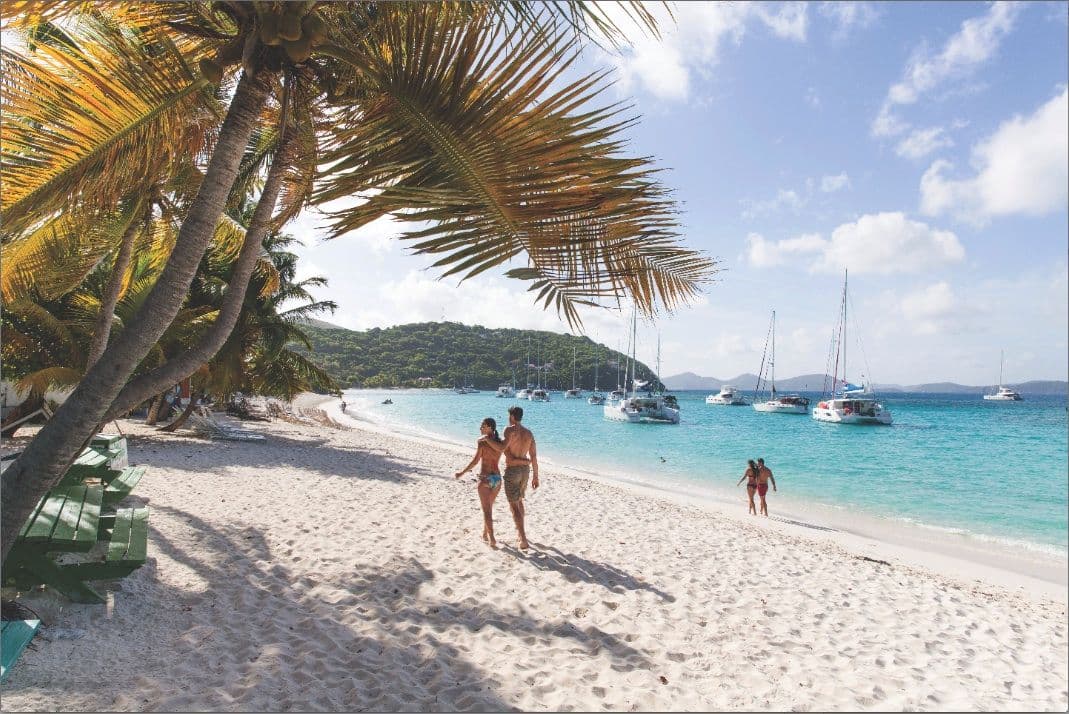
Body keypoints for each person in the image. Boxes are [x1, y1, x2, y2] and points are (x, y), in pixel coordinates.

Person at [481, 405, 538, 550]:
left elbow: (503, 449)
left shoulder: (509, 430)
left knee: (514, 506)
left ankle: (523, 539)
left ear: (512, 416)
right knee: (519, 502)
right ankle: (521, 535)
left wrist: (486, 440)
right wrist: (535, 476)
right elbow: (533, 456)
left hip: (513, 471)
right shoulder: (529, 433)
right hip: (526, 471)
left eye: (509, 416)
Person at [454, 417, 505, 548]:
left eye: (483, 426)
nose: (480, 428)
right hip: (497, 480)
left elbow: (475, 461)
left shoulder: (482, 442)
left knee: (487, 510)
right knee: (489, 507)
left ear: (489, 427)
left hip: (486, 479)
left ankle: (492, 538)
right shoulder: (500, 442)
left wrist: (462, 472)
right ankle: (485, 533)